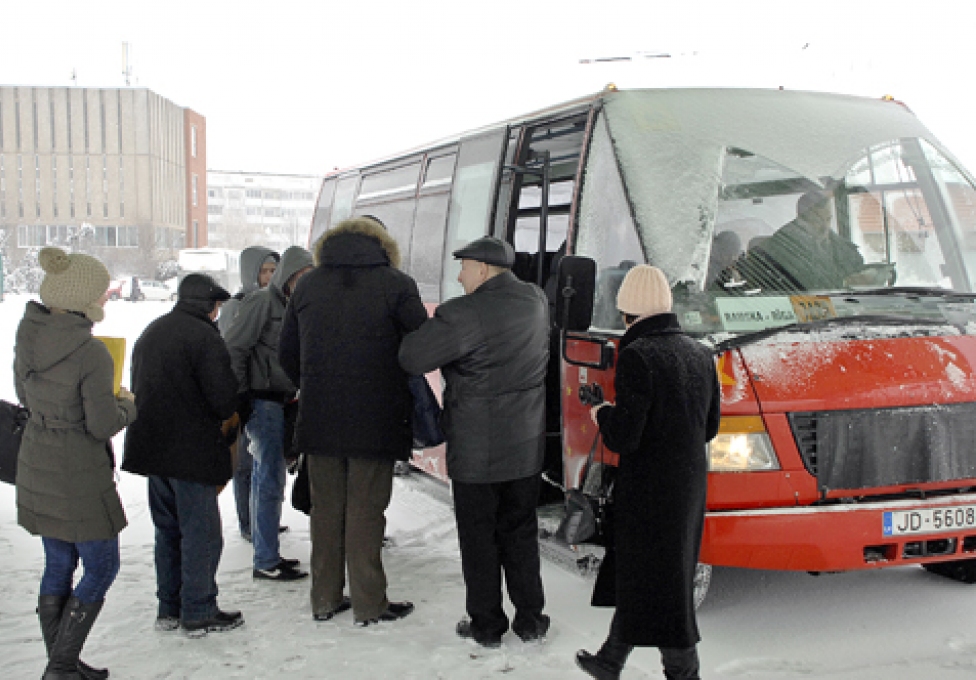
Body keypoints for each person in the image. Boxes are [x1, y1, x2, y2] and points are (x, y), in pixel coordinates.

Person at [399, 235, 551, 648]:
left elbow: (412, 357)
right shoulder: (536, 301)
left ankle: (486, 624)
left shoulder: (463, 314)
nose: (460, 276)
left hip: (476, 450)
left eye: (464, 267)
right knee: (520, 532)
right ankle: (531, 618)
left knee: (479, 538)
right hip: (525, 445)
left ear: (483, 269)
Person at [278, 216, 426, 625]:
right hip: (377, 419)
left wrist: (315, 384)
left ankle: (324, 599)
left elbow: (286, 354)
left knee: (325, 510)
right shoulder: (397, 284)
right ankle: (369, 603)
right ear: (381, 245)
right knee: (365, 511)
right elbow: (419, 347)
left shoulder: (307, 284)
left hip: (319, 419)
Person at [575, 265, 720, 680]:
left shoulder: (638, 355)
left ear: (627, 313)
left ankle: (683, 671)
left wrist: (602, 412)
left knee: (662, 585)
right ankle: (609, 660)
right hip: (688, 486)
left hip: (649, 491)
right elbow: (710, 427)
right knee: (649, 575)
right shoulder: (699, 352)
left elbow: (626, 436)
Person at [14, 246, 137, 679]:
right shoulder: (91, 353)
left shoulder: (28, 333)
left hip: (37, 460)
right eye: (102, 292)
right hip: (78, 472)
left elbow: (24, 396)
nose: (106, 298)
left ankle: (61, 666)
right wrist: (127, 405)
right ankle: (62, 665)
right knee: (102, 565)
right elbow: (102, 424)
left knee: (59, 563)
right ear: (82, 297)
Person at [121, 273, 244, 637]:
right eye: (217, 307)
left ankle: (169, 608)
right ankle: (199, 609)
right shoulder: (205, 338)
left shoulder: (152, 331)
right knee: (202, 533)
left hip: (152, 448)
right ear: (209, 306)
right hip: (191, 452)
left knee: (168, 531)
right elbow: (222, 399)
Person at [225, 245, 313, 581]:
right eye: (301, 275)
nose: (306, 281)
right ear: (288, 276)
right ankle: (265, 558)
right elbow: (234, 346)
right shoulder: (262, 302)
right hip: (262, 401)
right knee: (269, 476)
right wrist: (241, 396)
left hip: (287, 400)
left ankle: (267, 552)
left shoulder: (299, 305)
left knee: (271, 475)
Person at [216, 246, 280, 542]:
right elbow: (233, 349)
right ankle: (248, 522)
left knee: (263, 463)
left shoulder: (277, 302)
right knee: (245, 464)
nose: (269, 276)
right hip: (245, 393)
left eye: (273, 270)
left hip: (265, 391)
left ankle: (260, 519)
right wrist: (238, 392)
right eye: (264, 271)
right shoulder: (238, 305)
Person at [730, 190, 868, 292]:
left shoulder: (841, 247)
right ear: (801, 219)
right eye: (817, 220)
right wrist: (844, 281)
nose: (825, 226)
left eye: (828, 219)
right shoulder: (782, 247)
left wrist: (867, 275)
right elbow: (802, 280)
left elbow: (855, 267)